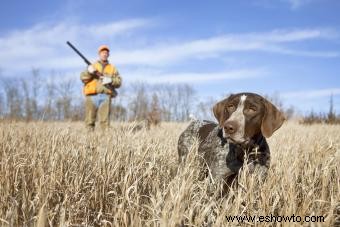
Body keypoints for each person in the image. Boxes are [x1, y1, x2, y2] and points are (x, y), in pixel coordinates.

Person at [80, 45, 122, 131]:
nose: (104, 54)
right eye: (103, 52)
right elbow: (82, 78)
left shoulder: (112, 68)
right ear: (99, 54)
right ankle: (88, 142)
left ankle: (106, 142)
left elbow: (119, 82)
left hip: (106, 96)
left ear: (108, 55)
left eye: (106, 53)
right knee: (89, 121)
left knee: (105, 123)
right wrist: (89, 72)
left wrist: (110, 80)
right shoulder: (92, 66)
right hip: (91, 96)